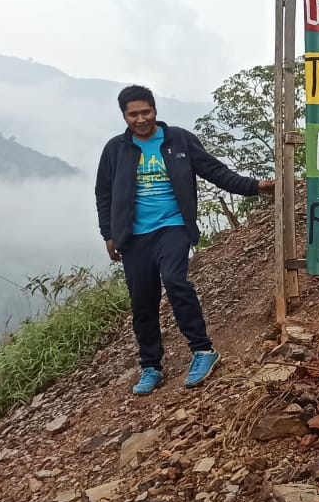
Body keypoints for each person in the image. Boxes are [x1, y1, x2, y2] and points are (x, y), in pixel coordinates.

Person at [95, 85, 275, 396]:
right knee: (142, 301)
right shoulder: (115, 149)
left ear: (155, 110)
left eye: (146, 112)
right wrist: (108, 234)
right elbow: (104, 193)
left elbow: (215, 172)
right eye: (133, 114)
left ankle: (203, 351)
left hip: (173, 226)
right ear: (124, 116)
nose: (141, 119)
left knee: (175, 280)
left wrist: (255, 186)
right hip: (134, 235)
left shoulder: (178, 140)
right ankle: (151, 366)